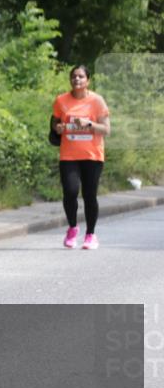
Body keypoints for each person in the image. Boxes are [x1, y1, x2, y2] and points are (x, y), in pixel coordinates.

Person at [52, 64, 110, 250]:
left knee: (89, 195)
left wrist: (89, 124)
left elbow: (106, 130)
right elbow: (55, 123)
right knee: (70, 191)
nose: (77, 79)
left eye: (81, 77)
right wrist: (58, 128)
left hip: (92, 155)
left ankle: (90, 235)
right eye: (74, 76)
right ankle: (72, 228)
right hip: (69, 154)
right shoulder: (61, 100)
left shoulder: (97, 101)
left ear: (88, 80)